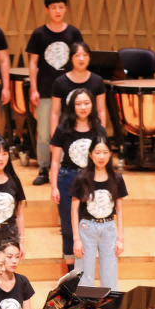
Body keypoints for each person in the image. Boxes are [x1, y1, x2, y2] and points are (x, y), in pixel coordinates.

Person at [25, 0, 83, 186]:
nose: (57, 11)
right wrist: (33, 88)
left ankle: (68, 168)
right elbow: (33, 63)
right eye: (53, 7)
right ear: (46, 10)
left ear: (65, 8)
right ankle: (44, 168)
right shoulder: (39, 34)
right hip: (45, 89)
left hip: (70, 91)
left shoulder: (73, 32)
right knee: (44, 131)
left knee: (71, 129)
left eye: (61, 7)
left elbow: (80, 59)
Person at [50, 87, 106, 272]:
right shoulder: (63, 129)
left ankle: (87, 270)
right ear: (72, 106)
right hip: (68, 179)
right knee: (68, 227)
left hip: (93, 181)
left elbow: (104, 158)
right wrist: (54, 187)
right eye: (78, 103)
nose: (83, 107)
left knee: (88, 226)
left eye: (86, 103)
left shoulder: (99, 129)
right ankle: (72, 273)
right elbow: (55, 160)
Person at [72, 136, 127, 289]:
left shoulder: (116, 178)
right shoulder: (81, 178)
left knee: (109, 276)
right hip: (86, 228)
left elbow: (120, 209)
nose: (101, 156)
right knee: (84, 276)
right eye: (97, 152)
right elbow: (74, 209)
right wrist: (76, 239)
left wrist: (120, 238)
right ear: (90, 154)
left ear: (110, 154)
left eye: (105, 152)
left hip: (109, 228)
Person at [50, 42, 108, 135]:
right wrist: (54, 137)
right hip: (67, 131)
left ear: (89, 58)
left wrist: (102, 135)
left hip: (91, 130)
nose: (81, 59)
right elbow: (55, 113)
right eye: (77, 55)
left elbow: (101, 111)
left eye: (85, 55)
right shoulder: (59, 82)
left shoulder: (98, 81)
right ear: (71, 58)